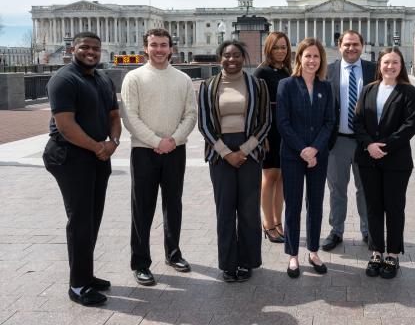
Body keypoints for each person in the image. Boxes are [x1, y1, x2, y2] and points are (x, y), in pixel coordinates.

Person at [43, 32, 121, 306]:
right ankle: (77, 285)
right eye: (84, 47)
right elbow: (65, 126)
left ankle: (86, 274)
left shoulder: (102, 78)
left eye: (95, 48)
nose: (91, 52)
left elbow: (114, 115)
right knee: (80, 219)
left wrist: (114, 141)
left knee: (93, 217)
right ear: (73, 49)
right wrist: (98, 147)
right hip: (70, 156)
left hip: (97, 155)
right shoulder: (64, 79)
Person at [120, 29, 197, 286]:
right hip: (143, 151)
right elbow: (130, 117)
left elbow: (190, 115)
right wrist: (156, 142)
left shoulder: (183, 79)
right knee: (142, 208)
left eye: (164, 45)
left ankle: (173, 254)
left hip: (176, 150)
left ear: (171, 48)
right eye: (154, 45)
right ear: (146, 48)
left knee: (173, 204)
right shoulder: (134, 78)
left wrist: (173, 140)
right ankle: (140, 262)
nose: (159, 49)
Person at [198, 40, 271, 282]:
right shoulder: (207, 86)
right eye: (227, 56)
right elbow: (205, 124)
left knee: (249, 211)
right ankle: (228, 263)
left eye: (237, 55)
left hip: (250, 151)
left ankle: (247, 261)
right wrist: (226, 152)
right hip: (220, 153)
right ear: (220, 58)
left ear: (243, 57)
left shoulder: (258, 85)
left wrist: (245, 150)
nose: (232, 60)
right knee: (225, 210)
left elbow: (265, 122)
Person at [353, 47, 415, 279]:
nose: (390, 66)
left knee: (394, 208)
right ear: (379, 65)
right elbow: (358, 121)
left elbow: (409, 126)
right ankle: (376, 252)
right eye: (386, 62)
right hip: (367, 159)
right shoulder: (367, 90)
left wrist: (384, 147)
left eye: (395, 62)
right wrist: (369, 145)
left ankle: (392, 254)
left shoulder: (409, 92)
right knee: (372, 207)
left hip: (396, 160)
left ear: (401, 66)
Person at [277, 38, 335, 278]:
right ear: (299, 58)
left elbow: (329, 121)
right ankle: (293, 255)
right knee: (293, 205)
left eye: (316, 56)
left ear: (321, 60)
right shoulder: (286, 85)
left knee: (315, 204)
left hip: (318, 156)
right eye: (307, 55)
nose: (312, 60)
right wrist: (303, 149)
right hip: (292, 155)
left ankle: (313, 251)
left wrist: (315, 150)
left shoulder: (326, 87)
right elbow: (283, 122)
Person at [322, 30, 375, 251]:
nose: (351, 48)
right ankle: (336, 230)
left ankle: (368, 230)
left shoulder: (374, 70)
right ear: (339, 46)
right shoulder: (328, 71)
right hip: (338, 140)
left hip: (366, 142)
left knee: (366, 188)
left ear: (362, 46)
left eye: (355, 44)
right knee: (337, 189)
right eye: (347, 44)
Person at [254, 32, 292, 244]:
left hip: (285, 129)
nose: (280, 51)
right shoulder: (262, 72)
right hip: (270, 130)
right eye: (276, 47)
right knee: (269, 178)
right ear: (269, 48)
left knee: (283, 179)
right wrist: (262, 135)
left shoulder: (286, 70)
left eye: (283, 47)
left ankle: (278, 222)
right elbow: (258, 107)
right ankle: (267, 223)